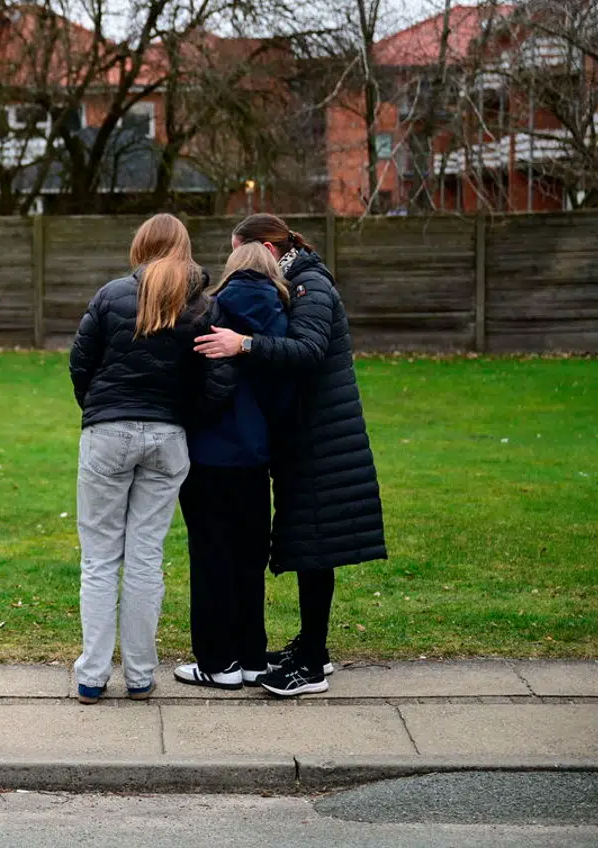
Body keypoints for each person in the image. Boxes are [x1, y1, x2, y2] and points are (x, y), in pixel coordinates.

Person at [194, 213, 386, 697]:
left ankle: (312, 665)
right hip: (307, 434)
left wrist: (244, 344)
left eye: (240, 250)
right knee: (306, 541)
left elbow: (308, 350)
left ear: (264, 248)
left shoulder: (310, 284)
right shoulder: (297, 282)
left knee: (314, 544)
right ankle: (310, 648)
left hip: (323, 437)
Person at [69, 213, 232, 704]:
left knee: (99, 559)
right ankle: (140, 675)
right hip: (167, 438)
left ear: (141, 245)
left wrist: (99, 410)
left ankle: (92, 675)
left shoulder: (111, 294)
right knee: (145, 557)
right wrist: (182, 417)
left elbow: (81, 362)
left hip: (107, 433)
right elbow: (219, 381)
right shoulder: (204, 304)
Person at [174, 242, 290, 691]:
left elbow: (199, 380)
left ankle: (218, 661)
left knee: (210, 558)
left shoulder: (214, 310)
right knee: (248, 559)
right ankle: (253, 657)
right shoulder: (280, 320)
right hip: (255, 456)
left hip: (210, 454)